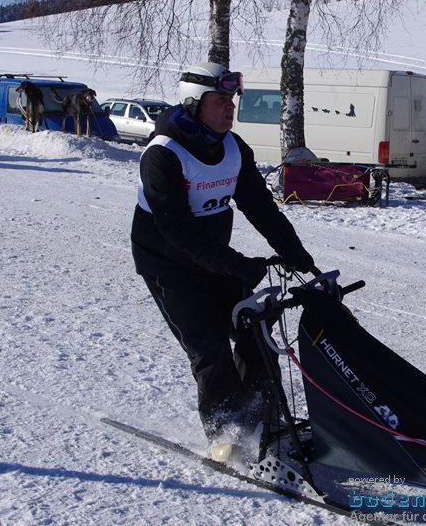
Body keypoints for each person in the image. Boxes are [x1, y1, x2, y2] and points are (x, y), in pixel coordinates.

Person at [131, 62, 315, 460]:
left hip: (214, 258)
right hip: (168, 263)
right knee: (208, 347)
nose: (229, 108)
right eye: (219, 100)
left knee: (254, 329)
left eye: (231, 99)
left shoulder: (233, 147)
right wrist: (237, 265)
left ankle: (261, 418)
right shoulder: (163, 154)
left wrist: (296, 254)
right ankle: (226, 433)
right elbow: (176, 232)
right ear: (194, 103)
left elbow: (260, 207)